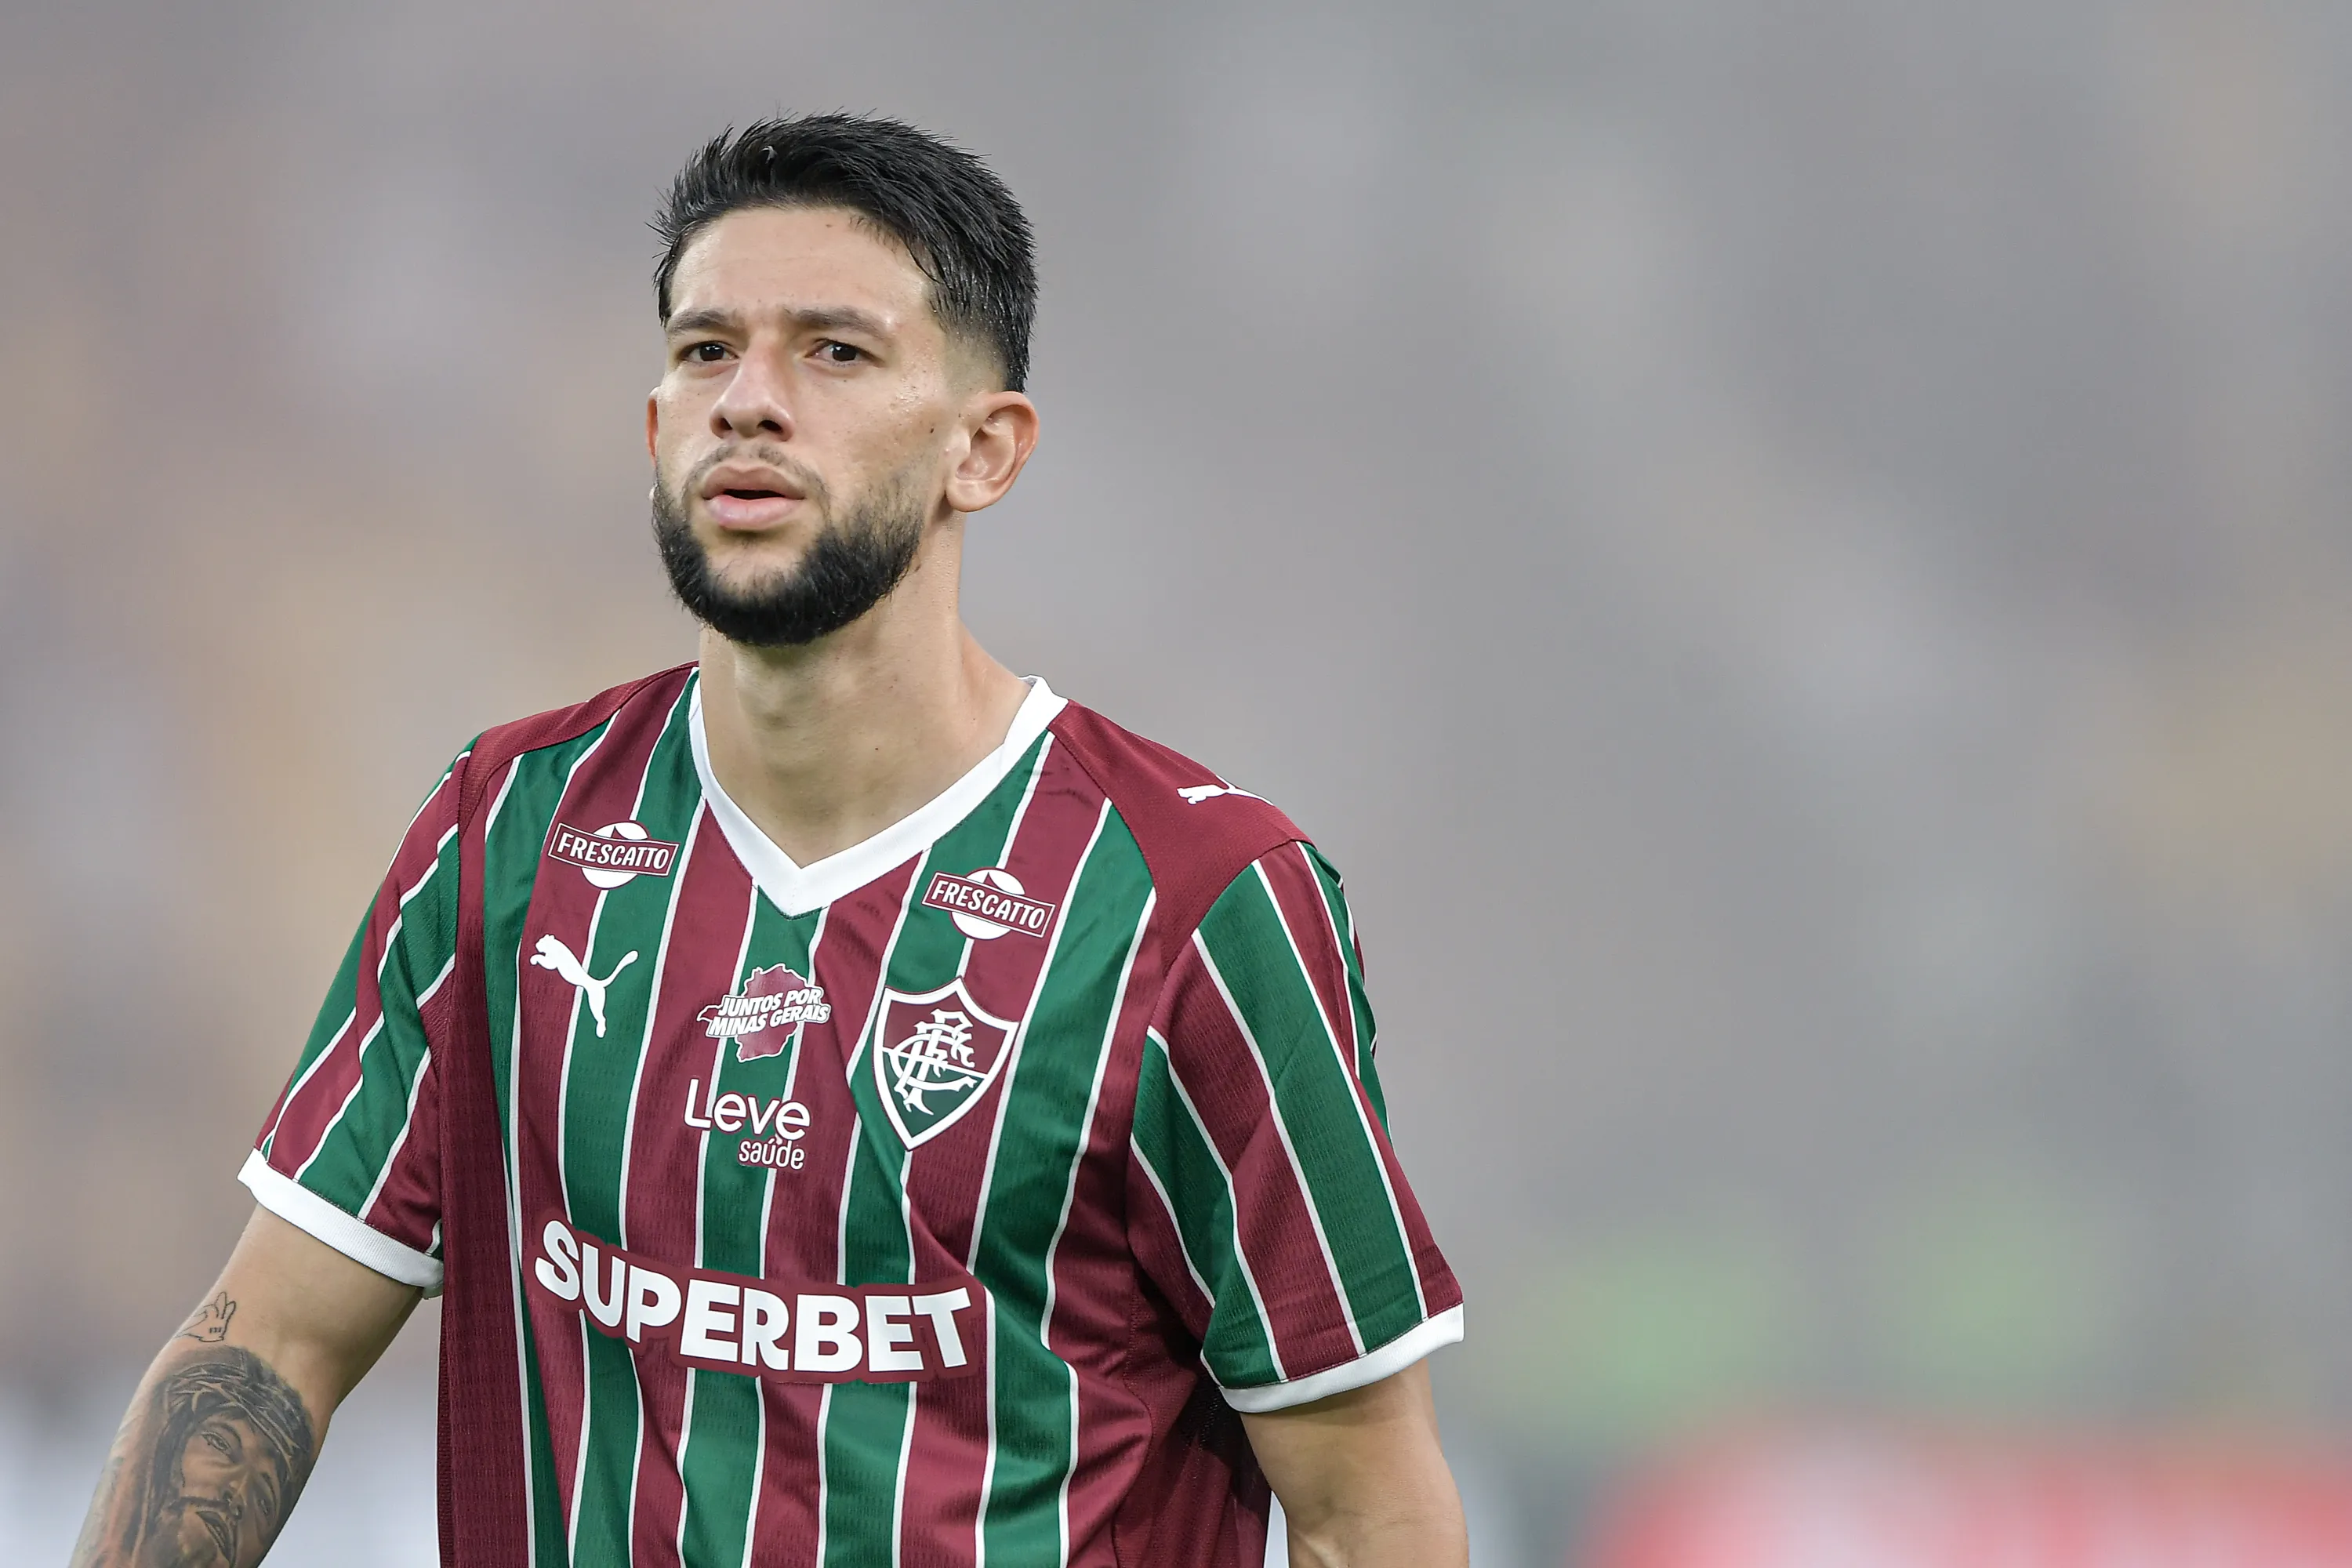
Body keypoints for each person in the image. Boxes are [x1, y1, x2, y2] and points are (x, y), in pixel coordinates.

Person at [72, 114, 1467, 1568]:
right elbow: (268, 1349)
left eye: (835, 353)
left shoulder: (1195, 901)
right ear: (658, 429)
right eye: (705, 351)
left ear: (984, 452)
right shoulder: (508, 835)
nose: (750, 400)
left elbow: (1372, 1513)